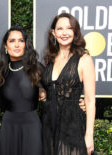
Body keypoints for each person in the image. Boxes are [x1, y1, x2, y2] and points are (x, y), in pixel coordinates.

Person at [41, 13, 95, 155]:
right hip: (48, 124)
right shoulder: (49, 60)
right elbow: (48, 88)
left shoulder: (84, 59)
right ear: (53, 32)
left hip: (72, 126)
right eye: (60, 29)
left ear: (75, 32)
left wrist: (89, 136)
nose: (64, 33)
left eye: (69, 28)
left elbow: (89, 101)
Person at [0, 26, 43, 155]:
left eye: (21, 41)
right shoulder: (1, 72)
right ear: (6, 46)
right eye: (12, 41)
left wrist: (78, 102)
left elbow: (56, 91)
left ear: (26, 45)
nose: (16, 45)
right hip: (8, 127)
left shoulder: (37, 68)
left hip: (31, 126)